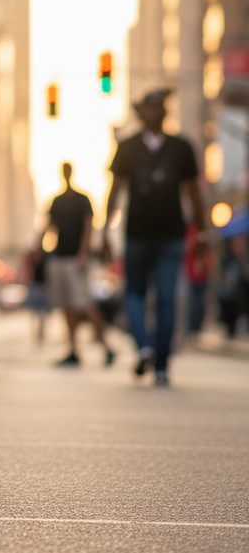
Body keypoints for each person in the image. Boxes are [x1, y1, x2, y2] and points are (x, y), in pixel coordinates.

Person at [105, 88, 206, 386]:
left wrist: (200, 231)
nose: (154, 113)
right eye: (148, 108)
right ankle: (145, 347)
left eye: (159, 108)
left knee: (166, 299)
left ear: (165, 112)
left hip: (171, 235)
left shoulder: (181, 147)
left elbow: (193, 192)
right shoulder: (127, 148)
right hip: (136, 233)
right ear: (139, 113)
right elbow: (115, 191)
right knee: (133, 294)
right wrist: (103, 233)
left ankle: (160, 363)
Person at [39, 163, 115, 367]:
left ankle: (107, 346)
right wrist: (38, 247)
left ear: (71, 172)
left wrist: (83, 254)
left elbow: (89, 226)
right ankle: (72, 349)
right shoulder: (56, 200)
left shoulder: (82, 199)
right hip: (59, 257)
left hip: (76, 259)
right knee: (67, 307)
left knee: (84, 304)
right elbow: (49, 226)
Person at [183, 228, 213, 336]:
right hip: (193, 281)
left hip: (202, 281)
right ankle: (193, 328)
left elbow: (209, 267)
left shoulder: (206, 254)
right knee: (194, 304)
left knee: (199, 304)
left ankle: (197, 327)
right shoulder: (192, 254)